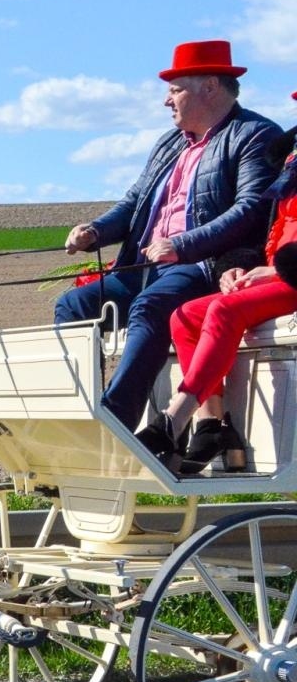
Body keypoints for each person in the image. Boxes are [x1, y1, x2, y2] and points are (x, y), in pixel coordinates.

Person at [55, 40, 282, 433]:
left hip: (202, 264)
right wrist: (95, 231)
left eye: (175, 88)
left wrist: (182, 245)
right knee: (73, 306)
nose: (166, 100)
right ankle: (75, 407)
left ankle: (114, 420)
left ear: (210, 87)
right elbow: (133, 203)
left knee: (150, 307)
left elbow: (250, 210)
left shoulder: (254, 135)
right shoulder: (168, 143)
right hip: (144, 265)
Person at [143, 116, 297, 473]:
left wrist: (275, 270)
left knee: (224, 311)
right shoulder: (291, 168)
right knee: (184, 317)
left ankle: (175, 416)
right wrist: (239, 267)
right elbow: (272, 234)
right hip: (279, 275)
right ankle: (211, 426)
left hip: (290, 278)